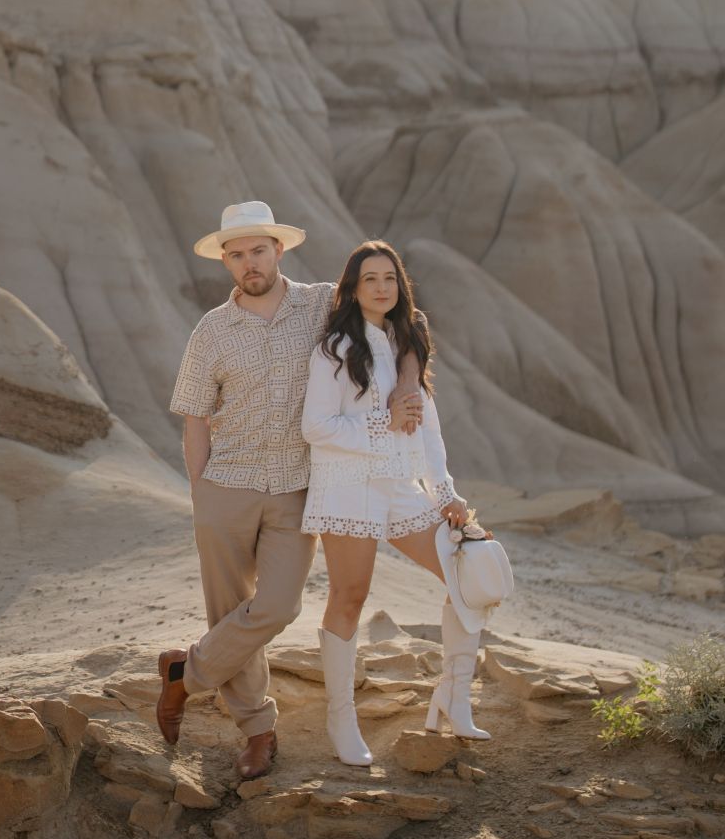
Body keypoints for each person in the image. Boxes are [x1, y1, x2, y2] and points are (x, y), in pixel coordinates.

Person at [157, 201, 421, 781]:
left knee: (278, 606)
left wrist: (407, 385)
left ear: (279, 250)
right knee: (229, 611)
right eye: (236, 254)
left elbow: (399, 328)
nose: (248, 263)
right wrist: (201, 494)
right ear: (225, 262)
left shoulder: (326, 305)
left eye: (258, 250)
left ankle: (184, 674)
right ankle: (258, 730)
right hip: (226, 482)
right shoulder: (211, 330)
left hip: (300, 487)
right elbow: (195, 417)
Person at [302, 239, 487, 767]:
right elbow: (315, 426)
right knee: (350, 596)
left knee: (467, 576)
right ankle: (342, 720)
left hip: (404, 488)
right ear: (353, 290)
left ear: (400, 286)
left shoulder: (408, 342)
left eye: (389, 278)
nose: (381, 288)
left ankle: (453, 698)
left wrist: (446, 492)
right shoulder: (334, 349)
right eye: (370, 280)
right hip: (349, 485)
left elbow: (426, 427)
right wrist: (383, 422)